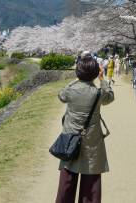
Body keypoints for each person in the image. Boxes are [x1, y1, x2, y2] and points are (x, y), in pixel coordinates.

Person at [55, 53, 114, 203]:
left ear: (78, 72)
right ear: (95, 73)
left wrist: (76, 80)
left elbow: (61, 95)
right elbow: (110, 96)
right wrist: (102, 80)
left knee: (67, 179)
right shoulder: (98, 93)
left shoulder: (71, 91)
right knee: (91, 179)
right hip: (92, 140)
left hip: (70, 139)